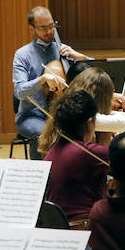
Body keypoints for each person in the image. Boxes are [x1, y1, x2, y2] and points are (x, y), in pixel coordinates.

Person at [13, 7, 88, 160]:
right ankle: (39, 177)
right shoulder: (22, 55)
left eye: (51, 26)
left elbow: (94, 74)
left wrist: (79, 57)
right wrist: (42, 79)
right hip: (31, 116)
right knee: (43, 133)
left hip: (62, 115)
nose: (49, 31)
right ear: (32, 28)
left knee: (88, 128)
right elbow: (19, 91)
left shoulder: (62, 50)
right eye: (43, 28)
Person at [42, 91, 110, 226]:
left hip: (57, 224)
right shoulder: (89, 152)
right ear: (90, 122)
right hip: (85, 227)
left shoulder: (52, 152)